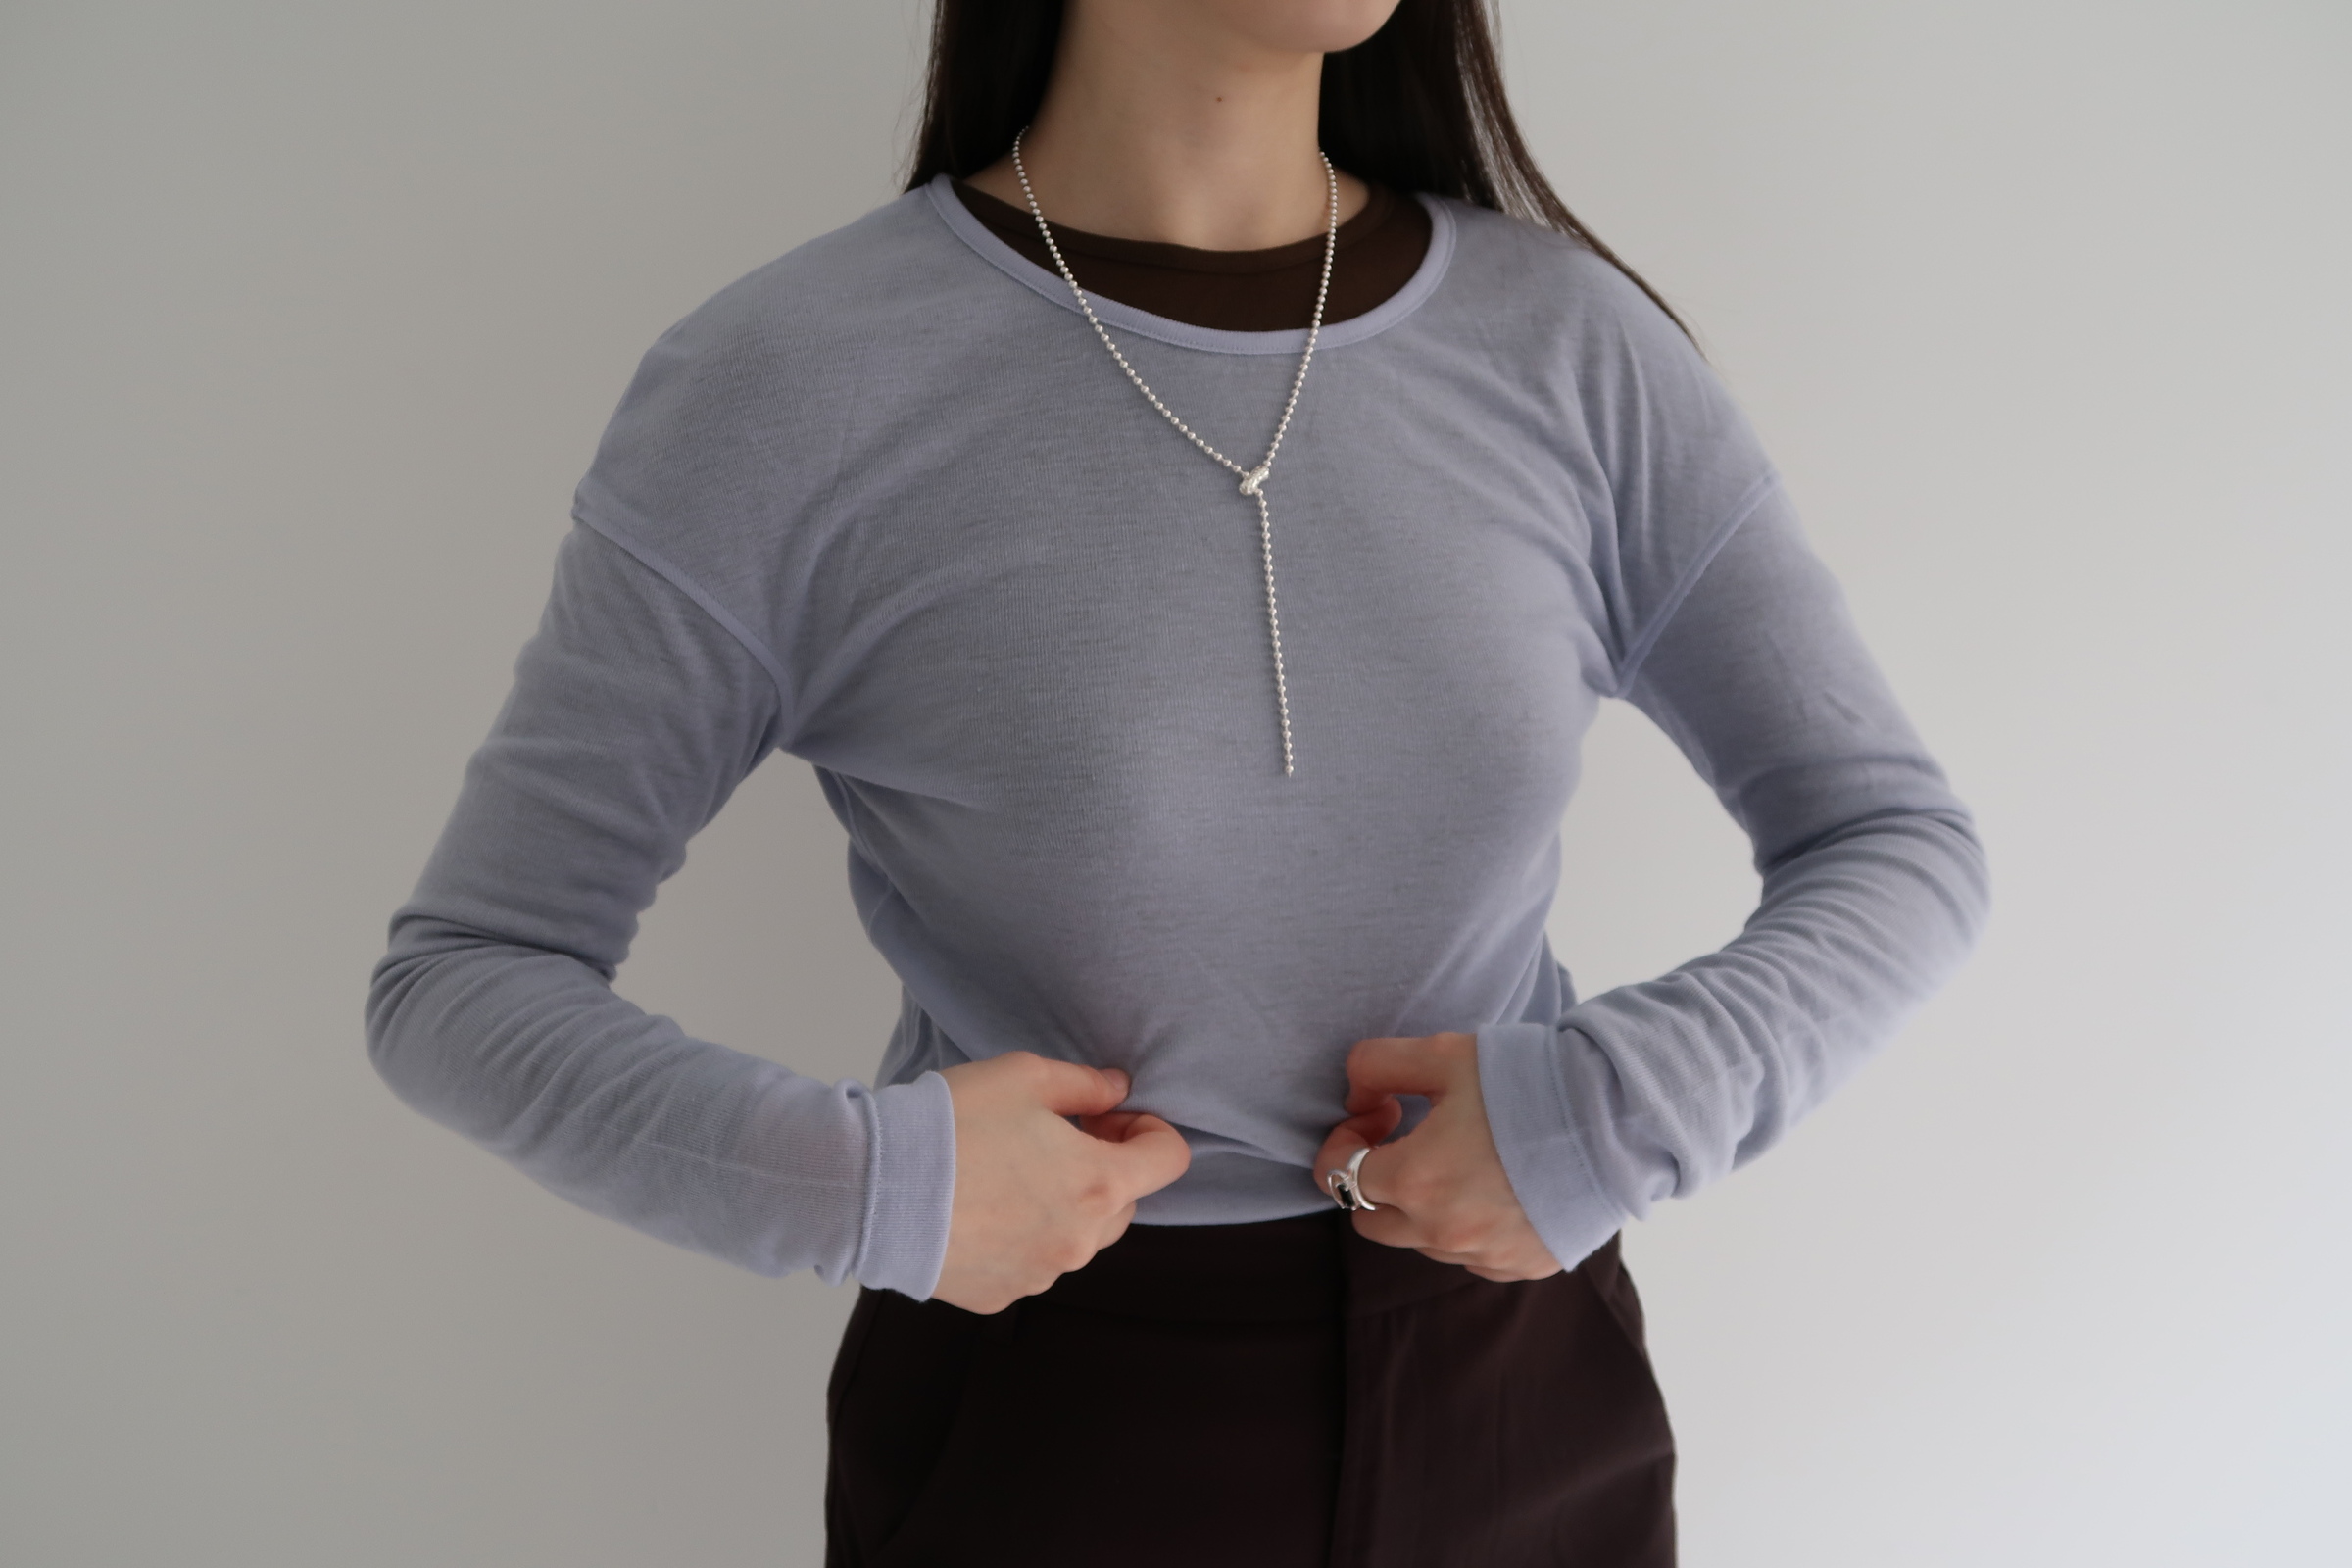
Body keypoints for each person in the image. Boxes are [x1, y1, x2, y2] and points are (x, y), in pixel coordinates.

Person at [365, 1, 1989, 1563]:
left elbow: (1893, 838)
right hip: (1046, 1431)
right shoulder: (790, 381)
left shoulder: (1573, 350)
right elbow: (467, 975)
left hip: (1526, 1409)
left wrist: (1618, 1111)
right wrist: (869, 1184)